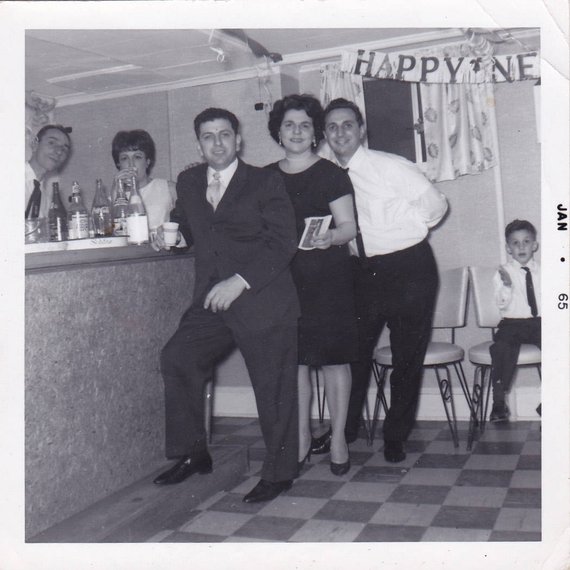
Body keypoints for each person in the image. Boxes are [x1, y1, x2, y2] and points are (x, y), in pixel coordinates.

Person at [153, 108, 301, 504]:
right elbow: (189, 227)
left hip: (263, 297)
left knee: (273, 389)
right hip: (212, 299)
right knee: (178, 357)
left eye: (224, 135)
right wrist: (171, 238)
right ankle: (193, 452)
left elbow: (284, 240)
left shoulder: (265, 180)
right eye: (207, 136)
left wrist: (239, 281)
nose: (216, 143)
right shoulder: (187, 181)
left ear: (238, 139)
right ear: (199, 143)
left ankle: (280, 472)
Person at [322, 98, 448, 463]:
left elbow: (436, 206)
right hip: (362, 273)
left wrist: (406, 233)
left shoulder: (388, 166)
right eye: (332, 127)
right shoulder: (329, 177)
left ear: (361, 130)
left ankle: (395, 436)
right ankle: (345, 432)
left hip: (409, 269)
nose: (340, 133)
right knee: (353, 353)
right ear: (326, 136)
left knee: (406, 357)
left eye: (347, 125)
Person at [266, 94, 358, 476]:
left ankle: (337, 439)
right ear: (278, 131)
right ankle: (302, 438)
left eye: (305, 125)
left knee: (335, 361)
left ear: (315, 132)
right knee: (296, 364)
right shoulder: (265, 177)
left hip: (329, 278)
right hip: (286, 282)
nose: (298, 132)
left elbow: (350, 227)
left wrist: (330, 238)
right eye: (290, 125)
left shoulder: (331, 174)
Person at [489, 219, 541, 422]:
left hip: (539, 323)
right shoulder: (503, 272)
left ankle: (550, 399)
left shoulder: (545, 271)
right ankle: (499, 401)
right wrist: (507, 286)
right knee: (502, 347)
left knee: (560, 346)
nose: (521, 247)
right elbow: (501, 304)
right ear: (508, 248)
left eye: (526, 241)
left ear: (534, 245)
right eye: (515, 243)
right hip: (512, 323)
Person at [111, 129, 177, 237]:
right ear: (118, 164)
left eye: (137, 157)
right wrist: (115, 191)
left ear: (147, 161)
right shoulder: (114, 195)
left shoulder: (169, 188)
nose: (131, 164)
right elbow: (115, 235)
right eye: (124, 158)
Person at [26, 124, 71, 223]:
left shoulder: (46, 199)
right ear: (34, 144)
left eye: (64, 149)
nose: (59, 152)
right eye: (51, 143)